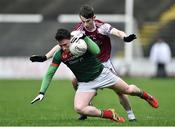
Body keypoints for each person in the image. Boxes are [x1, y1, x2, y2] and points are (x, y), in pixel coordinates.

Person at [30, 5, 137, 121]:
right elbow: (62, 44)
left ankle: (130, 114)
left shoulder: (102, 27)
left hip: (104, 63)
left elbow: (117, 32)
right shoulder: (79, 30)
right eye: (82, 21)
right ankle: (86, 108)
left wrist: (125, 38)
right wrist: (45, 57)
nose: (85, 24)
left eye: (87, 21)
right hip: (90, 64)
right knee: (74, 81)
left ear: (93, 17)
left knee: (121, 92)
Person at [31, 28, 159, 123]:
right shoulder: (60, 54)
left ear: (71, 39)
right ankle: (109, 114)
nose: (64, 48)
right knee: (79, 108)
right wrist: (42, 92)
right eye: (61, 45)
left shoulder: (81, 44)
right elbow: (50, 73)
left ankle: (146, 96)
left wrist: (85, 37)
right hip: (86, 83)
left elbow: (97, 51)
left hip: (102, 74)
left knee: (129, 90)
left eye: (65, 44)